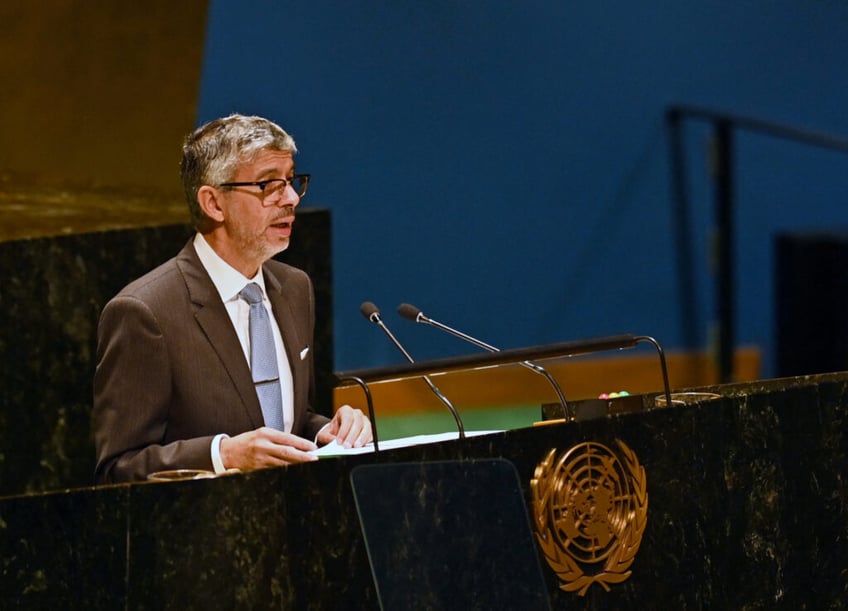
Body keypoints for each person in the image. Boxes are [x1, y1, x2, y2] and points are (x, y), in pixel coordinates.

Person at [93, 114, 371, 483]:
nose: (291, 198)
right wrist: (222, 455)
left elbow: (289, 419)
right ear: (213, 203)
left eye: (291, 181)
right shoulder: (145, 313)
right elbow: (118, 468)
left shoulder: (294, 288)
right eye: (268, 184)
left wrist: (325, 430)